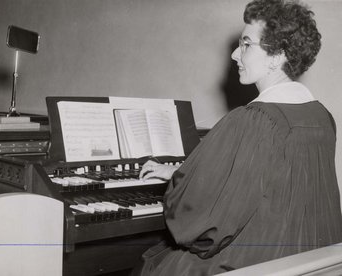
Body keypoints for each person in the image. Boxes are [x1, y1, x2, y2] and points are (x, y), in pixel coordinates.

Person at [135, 0, 342, 275]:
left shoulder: (253, 119)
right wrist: (179, 171)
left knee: (154, 263)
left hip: (253, 263)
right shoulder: (320, 117)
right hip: (308, 260)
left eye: (246, 44)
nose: (235, 54)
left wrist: (181, 184)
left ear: (277, 55)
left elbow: (202, 222)